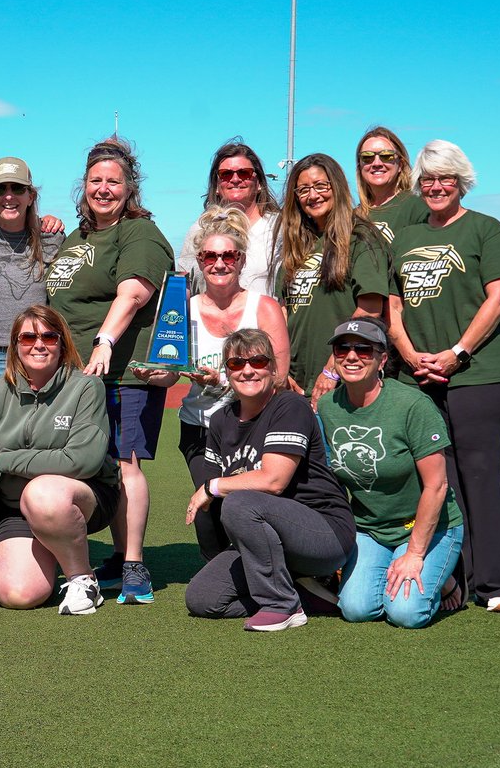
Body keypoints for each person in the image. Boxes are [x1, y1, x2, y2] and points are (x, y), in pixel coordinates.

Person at [388, 139, 500, 614]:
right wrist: (408, 354)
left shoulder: (485, 228)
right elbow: (393, 305)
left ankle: (497, 584)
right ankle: (455, 581)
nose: (437, 186)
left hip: (478, 373)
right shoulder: (405, 237)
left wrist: (457, 353)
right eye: (428, 179)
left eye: (446, 178)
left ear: (462, 182)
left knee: (480, 472)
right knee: (436, 480)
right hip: (418, 376)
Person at [46, 137, 175, 604]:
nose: (103, 189)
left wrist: (104, 341)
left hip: (120, 369)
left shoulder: (140, 233)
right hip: (76, 376)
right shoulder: (77, 238)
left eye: (113, 182)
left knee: (125, 463)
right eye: (95, 181)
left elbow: (134, 293)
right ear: (83, 186)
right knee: (95, 465)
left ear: (130, 188)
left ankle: (136, 565)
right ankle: (119, 557)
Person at [137, 206, 289, 562]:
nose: (219, 264)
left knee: (247, 506)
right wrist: (153, 375)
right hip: (201, 429)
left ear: (241, 260)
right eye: (209, 256)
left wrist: (223, 380)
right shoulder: (182, 308)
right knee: (209, 515)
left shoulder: (264, 307)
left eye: (227, 256)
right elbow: (171, 372)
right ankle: (224, 576)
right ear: (199, 260)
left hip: (254, 428)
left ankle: (267, 573)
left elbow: (279, 378)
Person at [184, 328, 355, 631]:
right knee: (203, 598)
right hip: (266, 536)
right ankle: (302, 594)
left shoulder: (289, 406)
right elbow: (210, 497)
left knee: (238, 502)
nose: (248, 371)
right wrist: (212, 491)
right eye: (237, 364)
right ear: (227, 372)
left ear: (274, 368)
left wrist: (214, 487)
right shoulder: (222, 420)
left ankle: (282, 606)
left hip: (323, 532)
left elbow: (273, 480)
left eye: (258, 362)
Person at [316, 317, 464, 628]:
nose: (352, 356)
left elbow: (437, 486)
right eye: (343, 348)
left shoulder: (412, 405)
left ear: (382, 358)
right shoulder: (328, 407)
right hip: (370, 528)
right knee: (356, 609)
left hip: (429, 527)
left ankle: (448, 577)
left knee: (405, 613)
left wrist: (414, 554)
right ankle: (392, 567)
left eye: (364, 350)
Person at [0, 305, 119, 614]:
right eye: (27, 337)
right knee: (17, 595)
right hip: (15, 509)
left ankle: (83, 578)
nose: (38, 344)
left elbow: (83, 460)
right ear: (15, 345)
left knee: (41, 492)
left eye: (48, 336)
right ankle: (52, 547)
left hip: (80, 497)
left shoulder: (85, 387)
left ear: (62, 343)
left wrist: (5, 460)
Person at [275, 153, 389, 408]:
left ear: (336, 186)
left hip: (344, 383)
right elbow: (284, 311)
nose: (312, 195)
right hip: (294, 383)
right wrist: (282, 371)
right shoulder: (297, 245)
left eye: (320, 186)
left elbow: (369, 310)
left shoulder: (361, 238)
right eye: (303, 189)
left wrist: (331, 371)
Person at [0, 157, 65, 404]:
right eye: (0, 189)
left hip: (37, 356)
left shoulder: (51, 238)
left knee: (32, 441)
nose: (9, 196)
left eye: (17, 188)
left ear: (31, 196)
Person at [178, 141, 281, 297]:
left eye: (244, 173)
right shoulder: (199, 230)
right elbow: (182, 285)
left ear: (259, 183)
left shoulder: (280, 228)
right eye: (226, 174)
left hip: (265, 319)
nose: (235, 179)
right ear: (217, 186)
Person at [353, 126, 429, 243]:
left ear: (401, 165)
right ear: (360, 166)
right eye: (367, 157)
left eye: (386, 156)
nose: (376, 163)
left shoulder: (416, 206)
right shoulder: (352, 216)